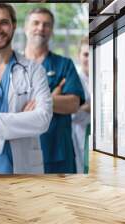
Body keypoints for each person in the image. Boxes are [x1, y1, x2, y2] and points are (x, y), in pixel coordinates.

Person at [0, 3, 53, 174]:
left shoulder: (34, 70)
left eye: (4, 22)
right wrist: (22, 119)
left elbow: (43, 119)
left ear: (14, 25)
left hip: (24, 164)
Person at [24, 8, 85, 173]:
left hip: (57, 152)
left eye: (46, 25)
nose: (41, 28)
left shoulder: (64, 65)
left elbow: (73, 104)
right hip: (21, 151)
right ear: (25, 28)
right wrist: (53, 98)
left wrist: (36, 101)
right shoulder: (12, 65)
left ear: (51, 31)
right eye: (36, 23)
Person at [72, 37, 90, 173]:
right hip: (79, 137)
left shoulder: (106, 79)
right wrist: (87, 108)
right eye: (85, 54)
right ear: (79, 56)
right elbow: (70, 114)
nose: (89, 58)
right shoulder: (74, 81)